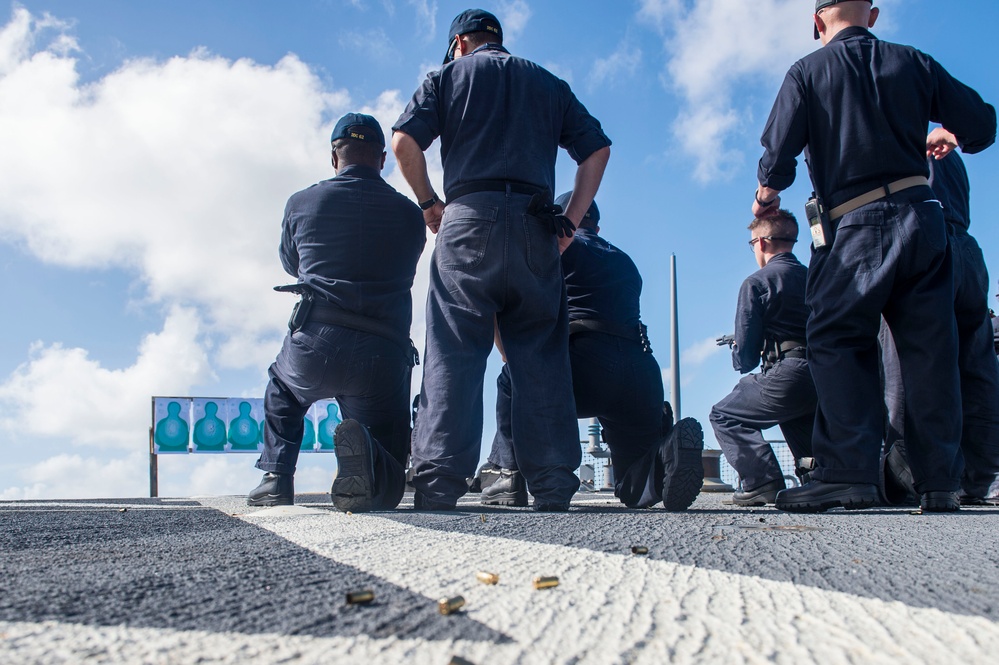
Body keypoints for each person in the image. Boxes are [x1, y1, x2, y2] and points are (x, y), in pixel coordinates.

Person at [752, 0, 996, 513]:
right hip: (924, 220)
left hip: (855, 222)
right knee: (931, 350)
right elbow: (982, 124)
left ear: (818, 22)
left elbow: (778, 156)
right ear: (874, 15)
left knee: (839, 338)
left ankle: (848, 474)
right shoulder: (913, 61)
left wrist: (765, 195)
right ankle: (939, 483)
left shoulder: (807, 70)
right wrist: (953, 134)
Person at [391, 9, 612, 511]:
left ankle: (440, 482)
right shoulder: (547, 82)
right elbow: (595, 150)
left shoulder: (446, 77)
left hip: (467, 218)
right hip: (537, 223)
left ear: (461, 44)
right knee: (540, 352)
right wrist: (571, 222)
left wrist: (430, 204)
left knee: (454, 351)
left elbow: (404, 142)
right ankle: (553, 482)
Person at [247, 113, 426, 510]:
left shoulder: (302, 202)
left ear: (334, 157)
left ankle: (277, 477)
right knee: (388, 463)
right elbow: (407, 264)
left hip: (316, 344)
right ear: (382, 159)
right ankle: (369, 466)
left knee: (283, 389)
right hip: (384, 353)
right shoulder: (410, 214)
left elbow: (292, 264)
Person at [481, 193, 705, 511]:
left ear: (562, 220)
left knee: (510, 379)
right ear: (597, 227)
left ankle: (510, 476)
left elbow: (508, 300)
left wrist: (508, 351)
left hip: (583, 363)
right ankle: (666, 452)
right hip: (640, 371)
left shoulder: (558, 247)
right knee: (633, 487)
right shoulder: (626, 261)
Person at [881, 133, 999, 506]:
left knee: (903, 365)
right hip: (967, 251)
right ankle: (983, 479)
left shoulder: (906, 141)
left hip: (925, 243)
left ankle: (912, 476)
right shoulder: (947, 155)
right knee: (978, 368)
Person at [710, 210, 816, 506]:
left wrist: (740, 349)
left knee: (724, 415)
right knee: (798, 418)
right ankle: (817, 479)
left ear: (762, 242)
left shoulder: (756, 283)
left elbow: (746, 358)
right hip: (825, 373)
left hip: (788, 372)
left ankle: (763, 481)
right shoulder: (816, 278)